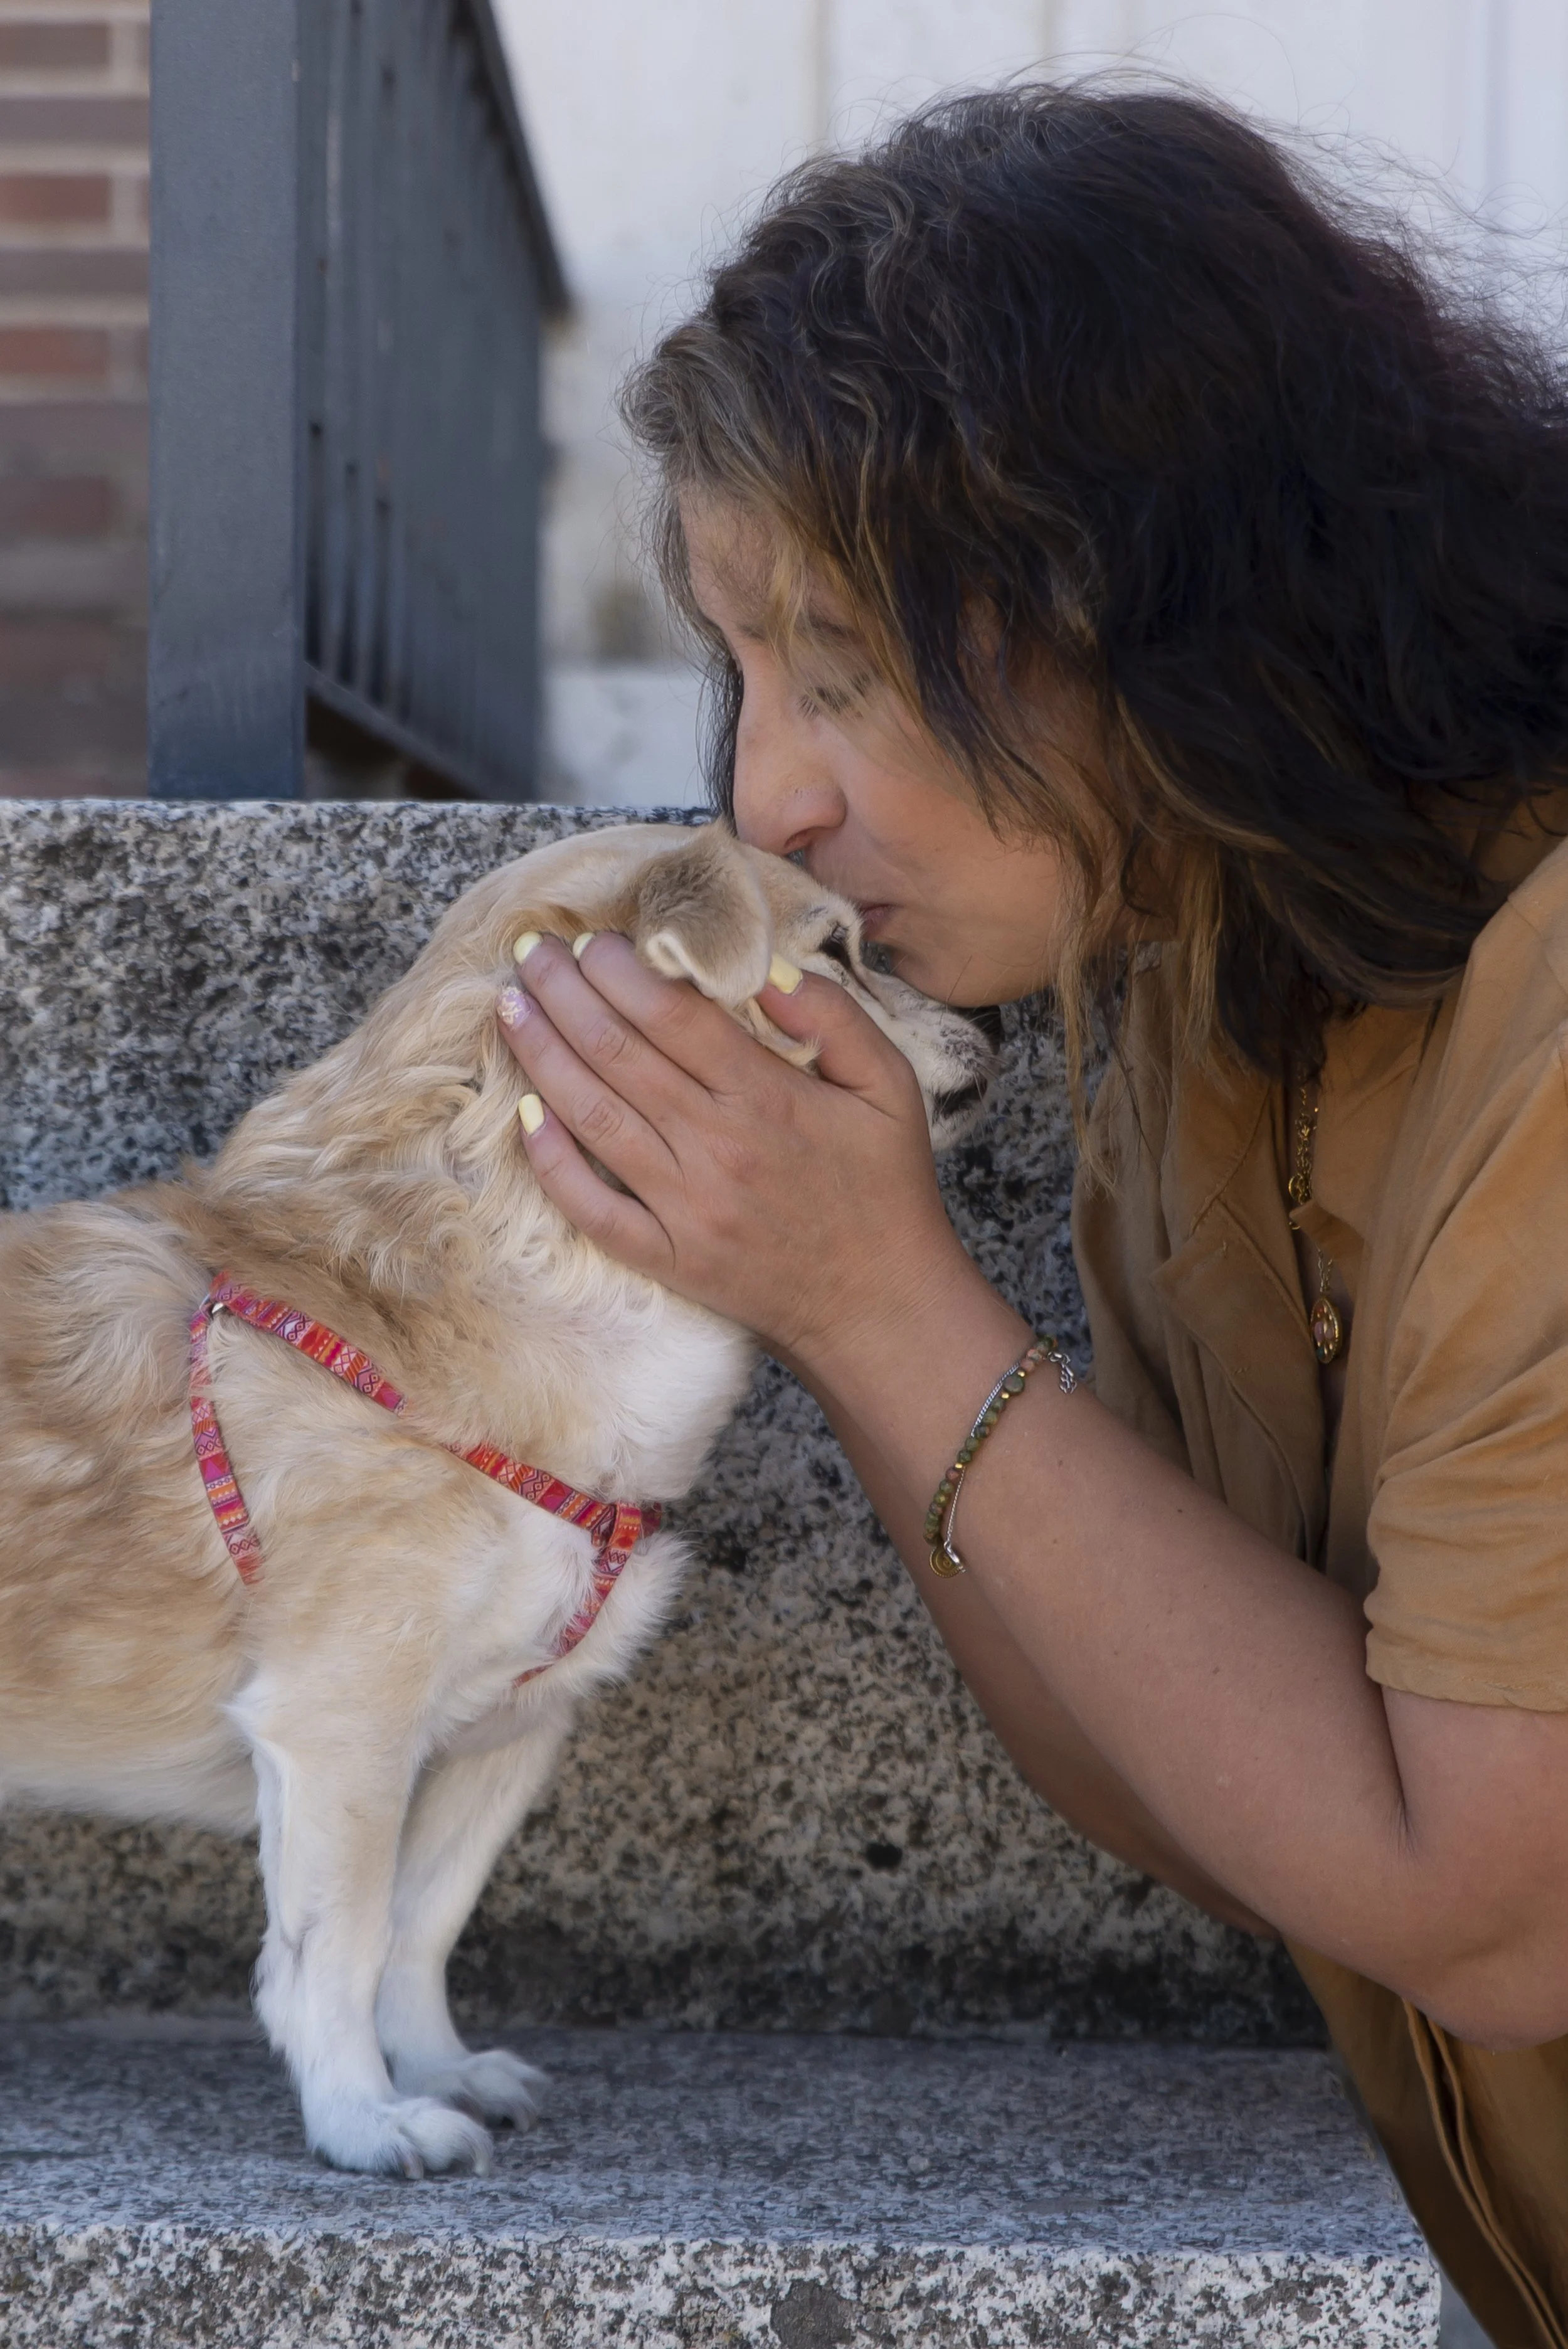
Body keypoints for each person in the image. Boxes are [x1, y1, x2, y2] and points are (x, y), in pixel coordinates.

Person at [495, 85, 1568, 2346]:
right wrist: (825, 1289)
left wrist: (881, 1306)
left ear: (1157, 599)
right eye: (746, 670)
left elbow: (1484, 1907)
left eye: (848, 667)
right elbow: (1200, 1798)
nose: (759, 794)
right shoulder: (1195, 972)